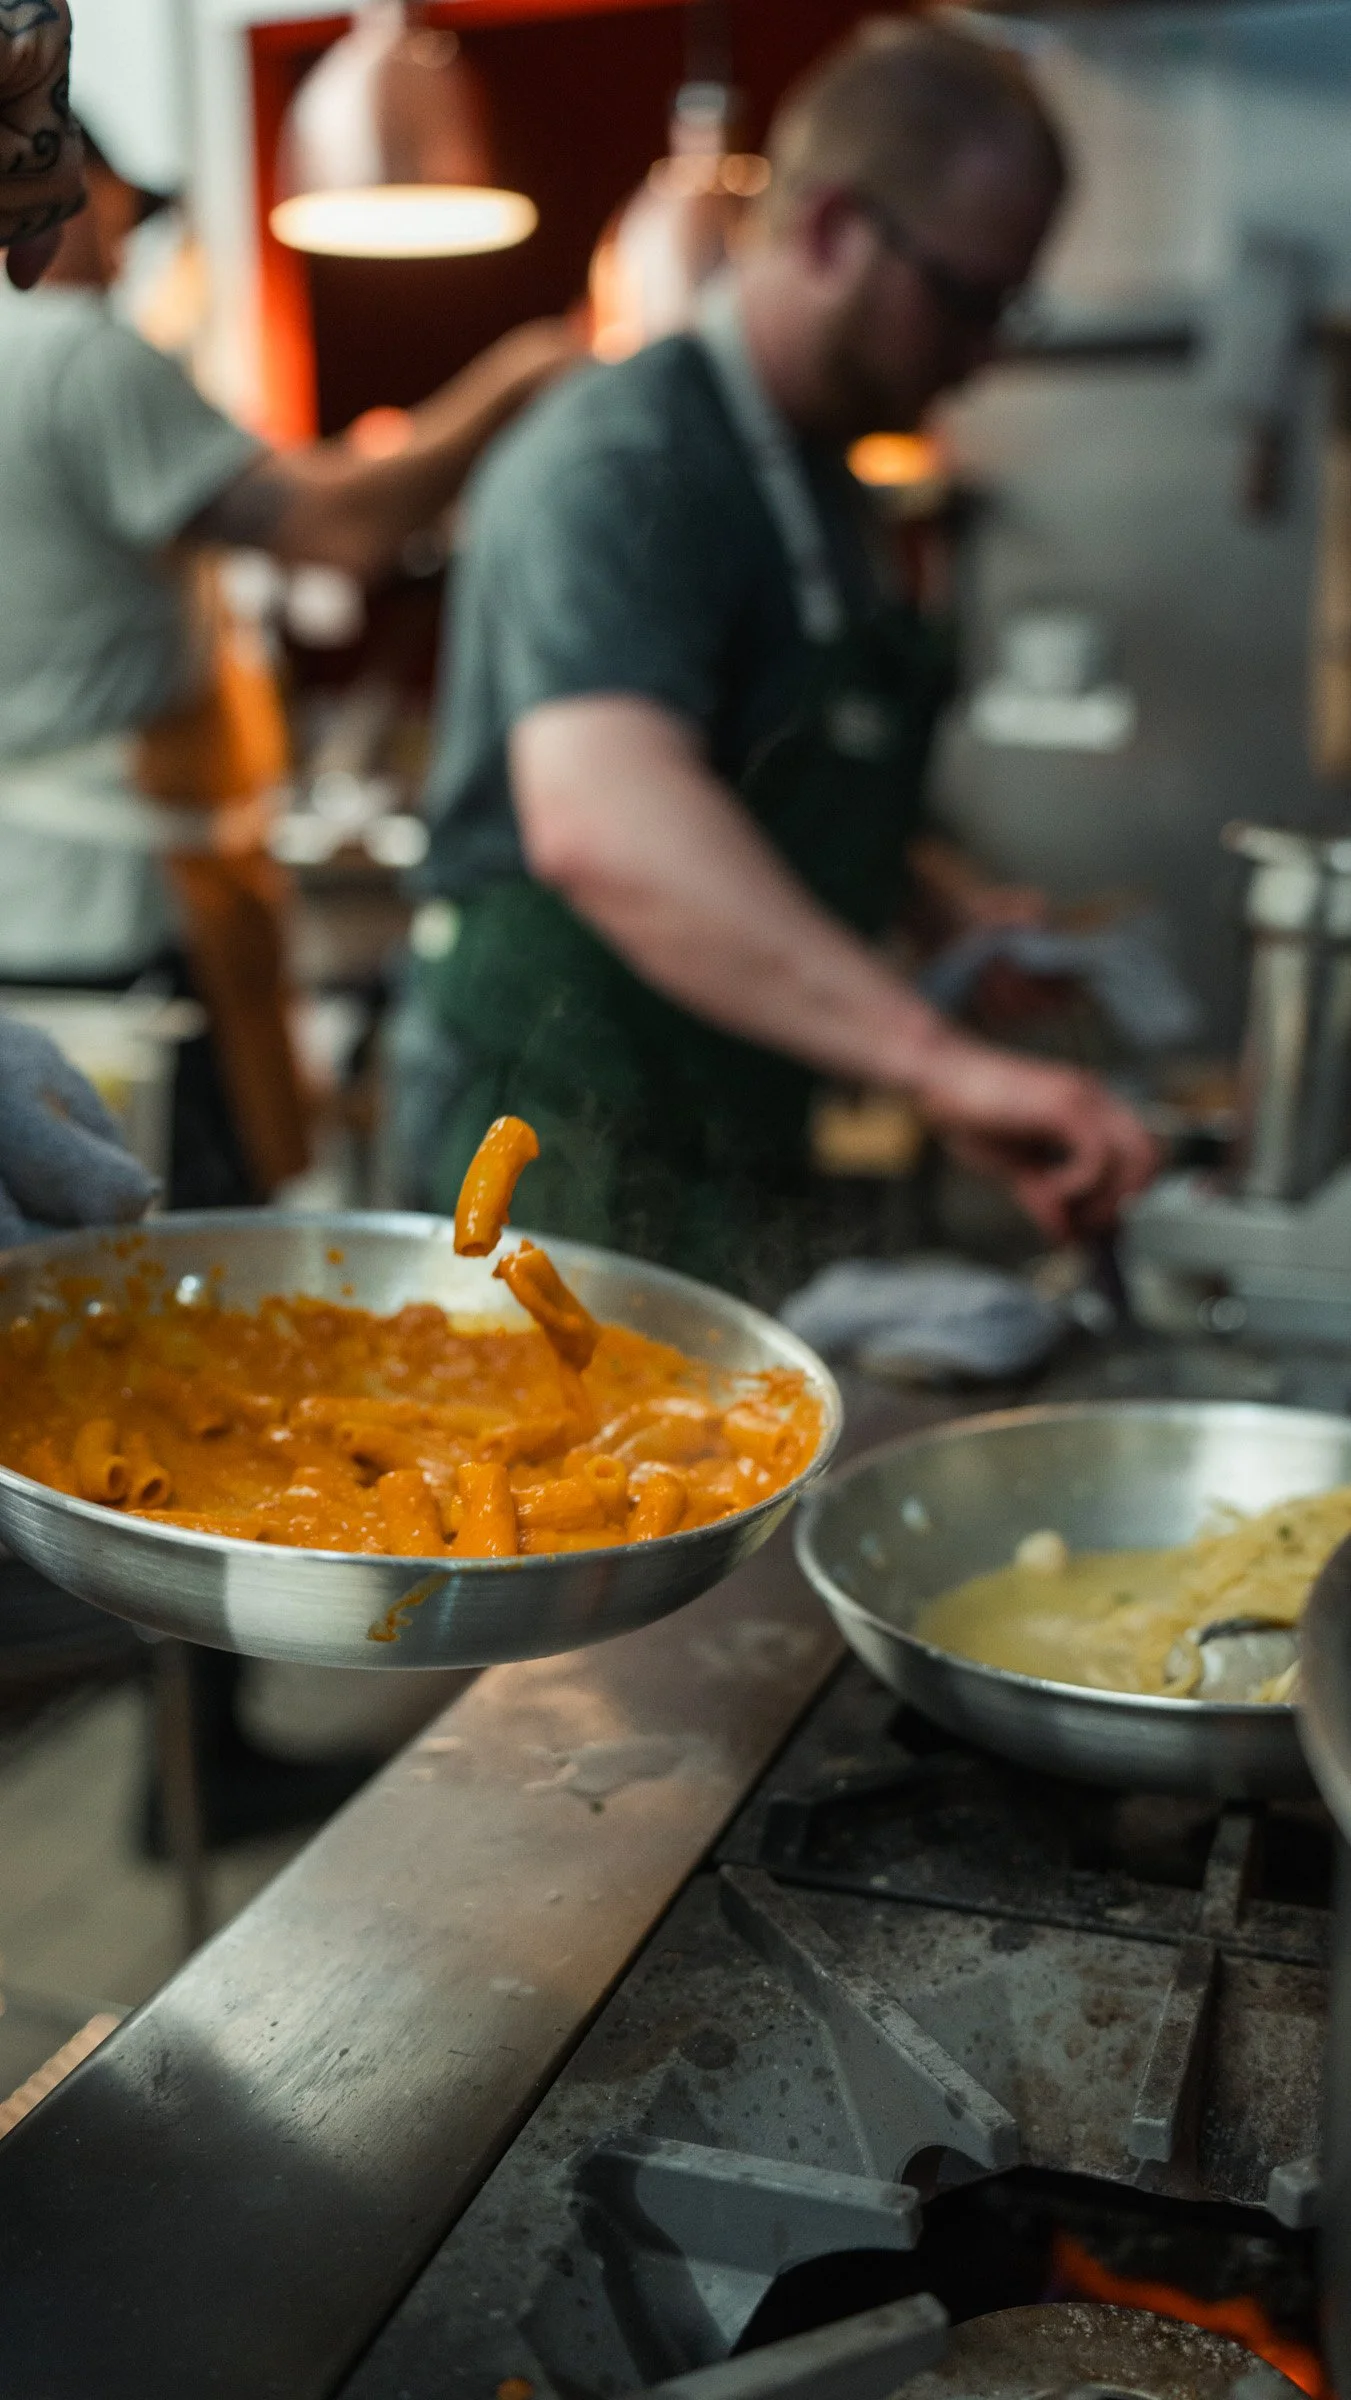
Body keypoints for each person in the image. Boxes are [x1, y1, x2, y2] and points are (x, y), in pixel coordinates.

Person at [396, 14, 1159, 1299]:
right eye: (967, 299)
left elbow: (767, 777)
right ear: (829, 232)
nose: (981, 357)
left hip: (726, 1118)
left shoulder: (824, 480)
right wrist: (934, 1058)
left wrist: (938, 906)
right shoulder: (623, 460)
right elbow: (609, 818)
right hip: (552, 1122)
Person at [0, 122, 580, 1201]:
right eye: (117, 215)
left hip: (28, 916)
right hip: (118, 915)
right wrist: (517, 375)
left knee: (75, 1270)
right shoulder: (74, 353)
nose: (125, 250)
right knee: (182, 1267)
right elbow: (341, 526)